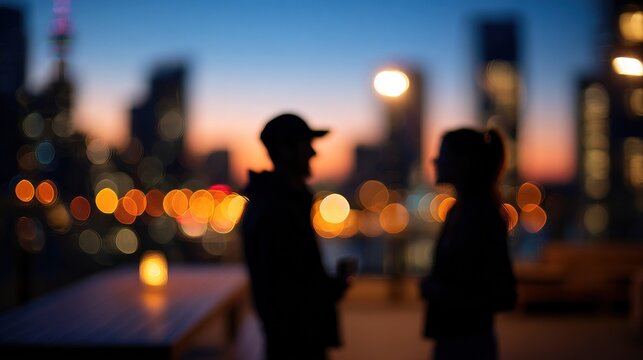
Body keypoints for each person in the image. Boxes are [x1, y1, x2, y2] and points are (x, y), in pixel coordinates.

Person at [240, 112, 350, 360]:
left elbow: (291, 278)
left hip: (293, 337)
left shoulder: (275, 201)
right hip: (296, 341)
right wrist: (329, 289)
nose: (314, 153)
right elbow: (287, 288)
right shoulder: (278, 207)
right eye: (307, 145)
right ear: (286, 150)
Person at [420, 127, 517, 360]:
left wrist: (437, 290)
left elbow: (497, 289)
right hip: (457, 336)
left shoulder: (479, 214)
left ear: (463, 162)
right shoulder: (462, 210)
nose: (435, 160)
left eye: (442, 154)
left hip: (468, 340)